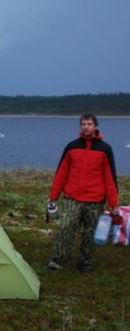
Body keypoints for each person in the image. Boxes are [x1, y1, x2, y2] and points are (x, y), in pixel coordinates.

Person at [47, 113, 119, 273]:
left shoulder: (105, 149)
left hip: (95, 200)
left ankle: (84, 264)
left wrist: (113, 203)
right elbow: (61, 173)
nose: (86, 126)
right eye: (83, 124)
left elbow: (110, 178)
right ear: (81, 126)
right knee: (65, 227)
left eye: (89, 124)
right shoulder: (72, 147)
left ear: (95, 126)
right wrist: (53, 196)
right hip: (72, 198)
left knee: (90, 234)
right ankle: (57, 260)